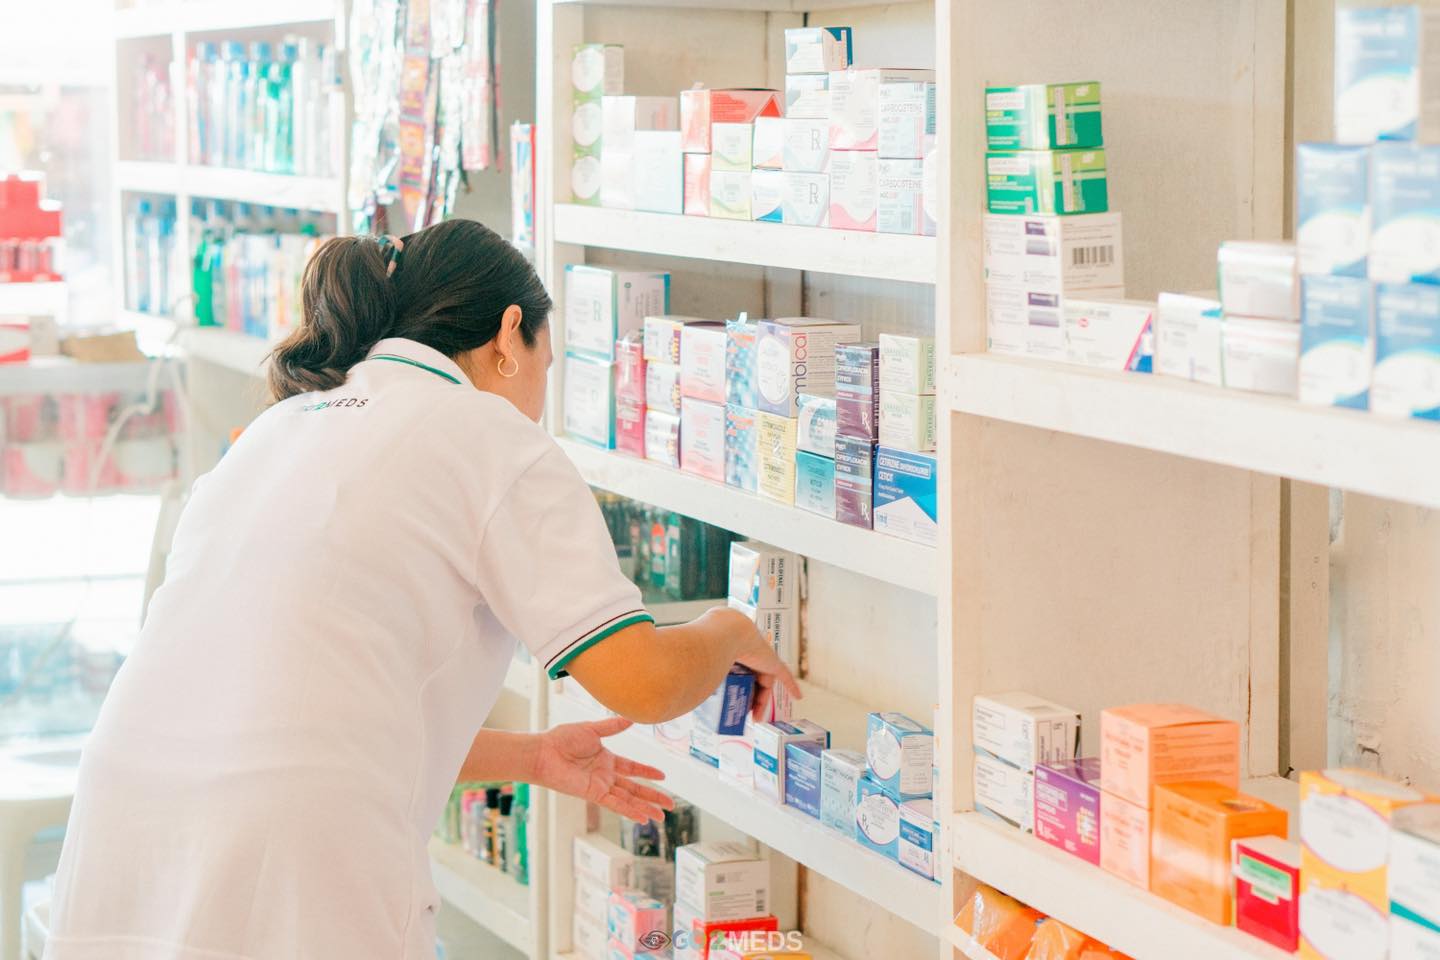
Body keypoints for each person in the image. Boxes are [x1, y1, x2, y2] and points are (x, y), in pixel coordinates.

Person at [44, 219, 798, 960]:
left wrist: (532, 757)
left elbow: (312, 709)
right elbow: (645, 683)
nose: (540, 391)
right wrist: (730, 628)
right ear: (510, 334)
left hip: (123, 824)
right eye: (547, 361)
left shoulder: (281, 427)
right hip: (287, 855)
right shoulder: (491, 437)